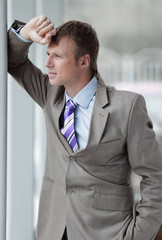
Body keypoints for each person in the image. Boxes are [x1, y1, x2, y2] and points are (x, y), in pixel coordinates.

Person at [8, 15, 162, 240]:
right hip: (54, 230)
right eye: (48, 55)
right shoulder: (49, 96)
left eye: (57, 56)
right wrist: (25, 34)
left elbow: (155, 176)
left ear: (84, 61)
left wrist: (138, 235)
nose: (48, 63)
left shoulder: (127, 107)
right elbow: (13, 61)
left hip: (109, 232)